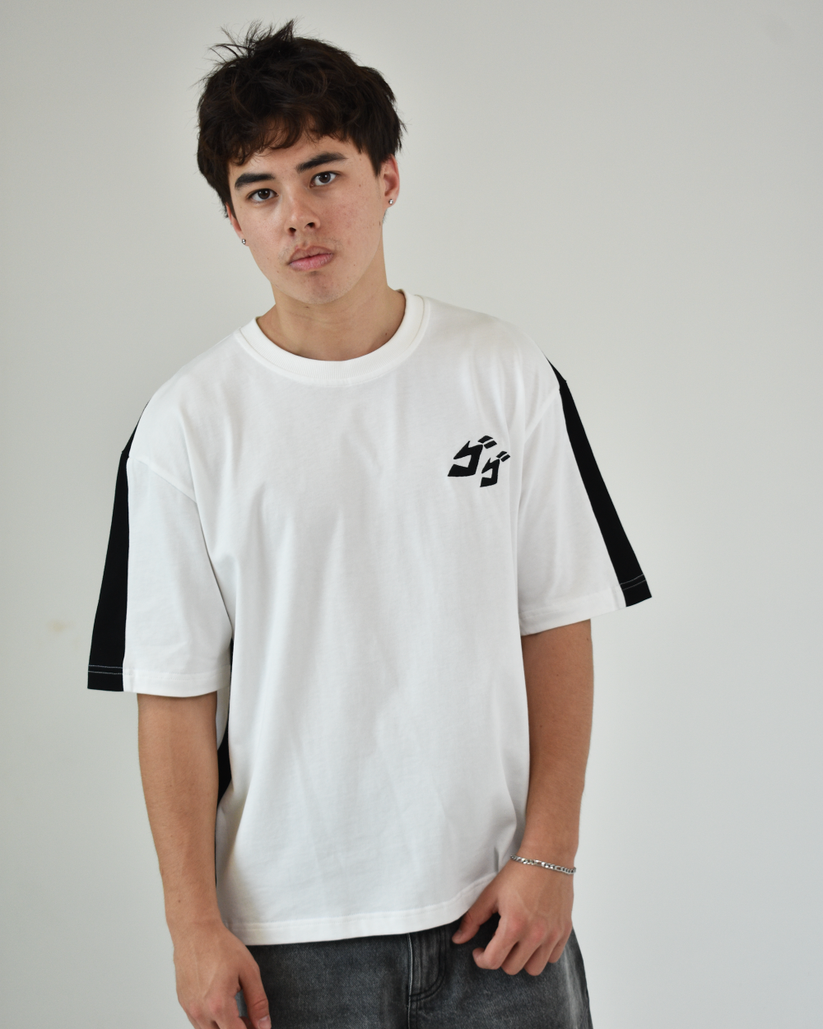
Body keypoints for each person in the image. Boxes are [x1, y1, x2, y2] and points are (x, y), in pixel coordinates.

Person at [88, 20, 650, 1029]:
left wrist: (551, 856)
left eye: (323, 174)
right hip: (288, 938)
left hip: (500, 914)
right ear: (234, 220)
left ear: (387, 178)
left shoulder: (503, 373)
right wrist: (192, 925)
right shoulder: (186, 425)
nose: (298, 216)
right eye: (261, 191)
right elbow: (172, 695)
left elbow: (556, 619)